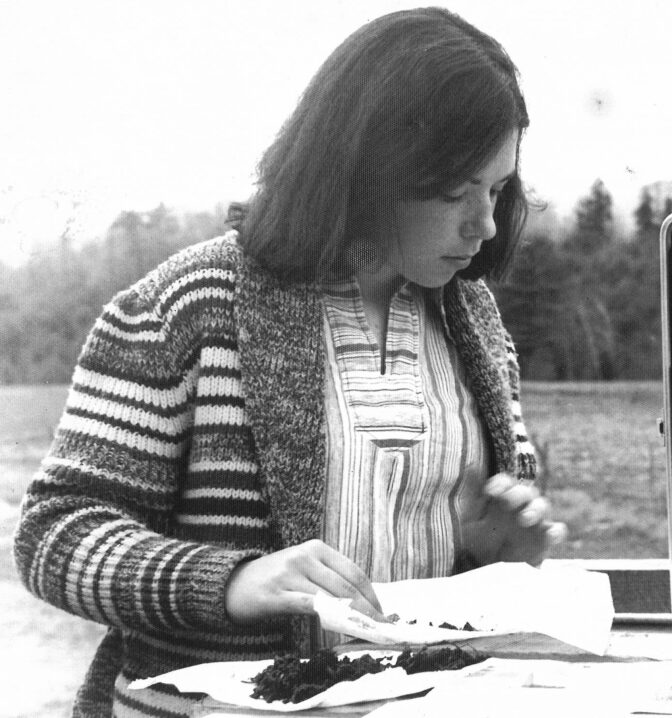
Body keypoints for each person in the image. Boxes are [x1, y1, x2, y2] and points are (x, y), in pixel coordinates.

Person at [13, 7, 564, 717]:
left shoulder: (475, 320)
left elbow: (439, 580)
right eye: (456, 193)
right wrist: (234, 581)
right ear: (366, 171)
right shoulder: (187, 307)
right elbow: (56, 534)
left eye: (497, 191)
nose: (484, 225)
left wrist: (494, 555)